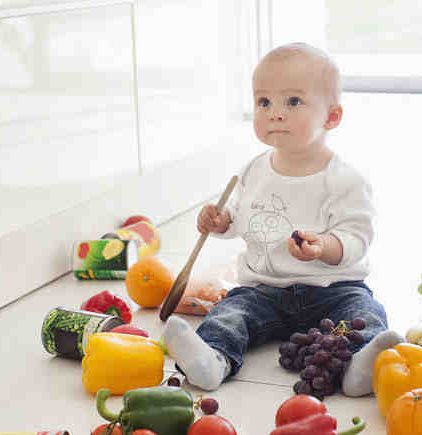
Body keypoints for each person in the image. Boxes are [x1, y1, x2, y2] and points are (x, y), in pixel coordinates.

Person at [163, 42, 403, 397]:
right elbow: (241, 220)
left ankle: (357, 367)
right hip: (264, 289)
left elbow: (356, 237)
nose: (275, 113)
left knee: (363, 312)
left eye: (292, 102)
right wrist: (221, 221)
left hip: (332, 289)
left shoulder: (345, 180)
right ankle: (212, 359)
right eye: (264, 102)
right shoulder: (254, 171)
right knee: (230, 313)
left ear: (332, 117)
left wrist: (324, 246)